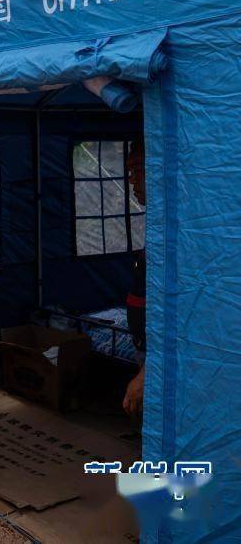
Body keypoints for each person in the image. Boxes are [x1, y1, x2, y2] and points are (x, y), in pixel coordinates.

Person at [123, 139, 146, 418]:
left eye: (136, 170)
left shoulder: (185, 231)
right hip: (146, 348)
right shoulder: (158, 224)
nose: (130, 181)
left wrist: (148, 370)